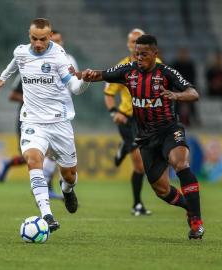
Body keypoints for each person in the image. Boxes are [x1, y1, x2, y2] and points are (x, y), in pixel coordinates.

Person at [80, 35, 204, 239]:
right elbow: (102, 74)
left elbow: (193, 93)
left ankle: (197, 221)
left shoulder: (166, 73)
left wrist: (177, 95)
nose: (139, 57)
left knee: (180, 163)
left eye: (144, 54)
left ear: (155, 54)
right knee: (161, 190)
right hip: (145, 138)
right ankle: (189, 208)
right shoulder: (128, 71)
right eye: (136, 54)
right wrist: (83, 74)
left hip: (169, 130)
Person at [0, 18, 89, 232]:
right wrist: (1, 79)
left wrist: (86, 80)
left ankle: (67, 190)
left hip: (59, 123)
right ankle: (47, 215)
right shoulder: (21, 52)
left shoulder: (59, 56)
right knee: (33, 160)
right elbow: (13, 65)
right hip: (32, 121)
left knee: (69, 174)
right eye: (34, 38)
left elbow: (74, 87)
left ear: (50, 36)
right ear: (29, 36)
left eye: (42, 39)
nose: (37, 43)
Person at [0, 29, 79, 201]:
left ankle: (12, 165)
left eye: (58, 41)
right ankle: (46, 190)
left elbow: (74, 85)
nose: (55, 44)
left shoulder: (68, 61)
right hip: (33, 117)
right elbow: (12, 94)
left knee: (48, 157)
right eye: (53, 41)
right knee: (39, 156)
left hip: (59, 116)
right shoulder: (29, 63)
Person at [103, 28, 159, 216]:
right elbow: (109, 94)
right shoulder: (122, 67)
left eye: (139, 42)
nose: (136, 46)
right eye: (132, 42)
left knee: (151, 159)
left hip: (147, 118)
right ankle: (137, 204)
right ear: (129, 45)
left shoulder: (157, 65)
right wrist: (113, 112)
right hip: (127, 119)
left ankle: (124, 148)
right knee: (140, 165)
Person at [171, 47, 199, 126]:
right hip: (177, 90)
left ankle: (194, 119)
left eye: (185, 54)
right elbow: (173, 79)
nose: (183, 55)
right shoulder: (175, 64)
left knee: (192, 100)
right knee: (176, 102)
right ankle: (175, 120)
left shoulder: (190, 65)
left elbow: (193, 79)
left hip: (187, 88)